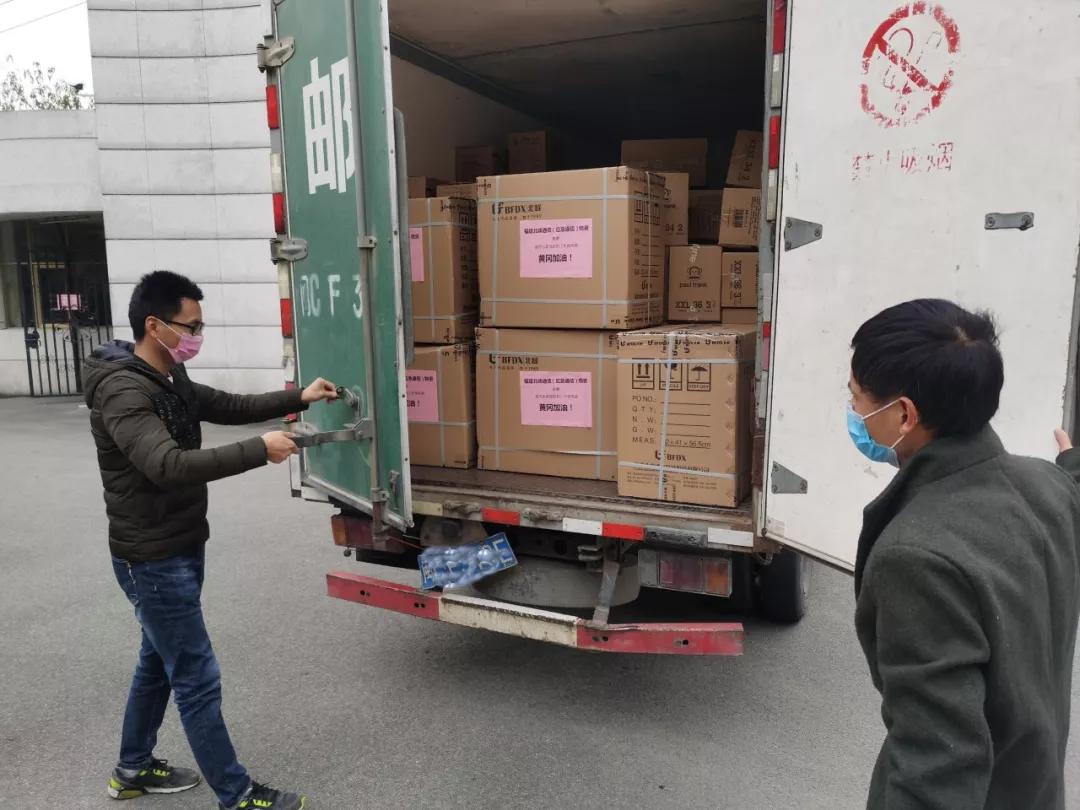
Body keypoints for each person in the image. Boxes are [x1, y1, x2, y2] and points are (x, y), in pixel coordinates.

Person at [84, 271, 336, 809]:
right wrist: (259, 450)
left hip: (178, 543)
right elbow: (167, 465)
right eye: (191, 326)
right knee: (196, 676)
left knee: (158, 660)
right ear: (155, 326)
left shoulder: (167, 375)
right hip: (151, 557)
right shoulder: (124, 391)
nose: (198, 335)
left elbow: (226, 404)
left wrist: (300, 396)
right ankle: (236, 795)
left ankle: (132, 768)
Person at [847, 298, 1080, 809]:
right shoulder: (1048, 486)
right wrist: (1071, 465)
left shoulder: (917, 558)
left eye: (857, 398)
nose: (854, 411)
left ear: (904, 415)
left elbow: (938, 764)